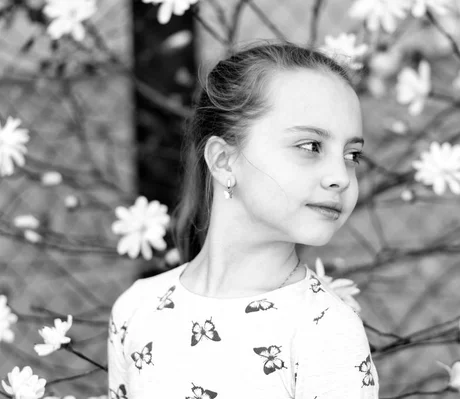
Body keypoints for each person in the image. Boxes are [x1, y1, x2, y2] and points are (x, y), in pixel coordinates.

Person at [107, 40, 379, 399]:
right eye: (311, 146)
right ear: (223, 161)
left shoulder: (325, 330)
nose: (341, 177)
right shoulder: (137, 310)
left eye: (351, 154)